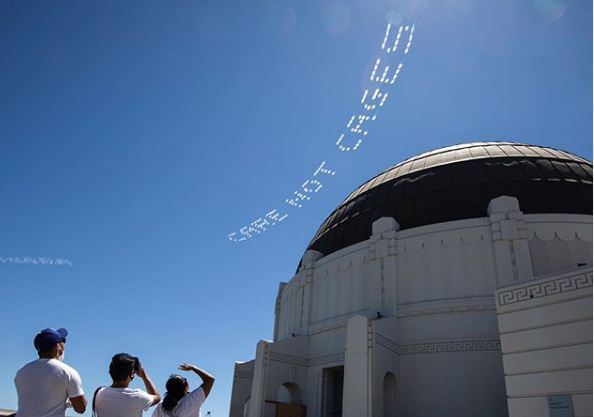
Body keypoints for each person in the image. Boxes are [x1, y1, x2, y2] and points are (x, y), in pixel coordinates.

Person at [14, 327, 87, 417]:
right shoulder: (68, 372)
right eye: (63, 341)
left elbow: (33, 403)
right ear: (57, 346)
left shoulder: (21, 372)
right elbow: (81, 408)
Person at [94, 353, 161, 417]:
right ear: (131, 375)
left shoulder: (99, 393)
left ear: (110, 372)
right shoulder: (137, 396)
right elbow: (157, 397)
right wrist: (144, 375)